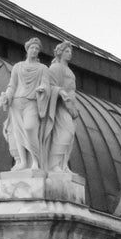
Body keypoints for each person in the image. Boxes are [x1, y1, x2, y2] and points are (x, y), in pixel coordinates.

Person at [0, 37, 52, 171]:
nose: (34, 50)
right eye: (32, 48)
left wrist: (43, 89)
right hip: (16, 102)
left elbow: (46, 84)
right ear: (27, 49)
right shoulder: (18, 66)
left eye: (37, 49)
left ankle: (35, 161)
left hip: (32, 102)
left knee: (29, 128)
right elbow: (12, 85)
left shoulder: (43, 68)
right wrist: (7, 96)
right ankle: (23, 162)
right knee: (17, 132)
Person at [45, 42, 79, 173]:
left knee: (70, 137)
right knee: (66, 133)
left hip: (71, 106)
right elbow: (51, 85)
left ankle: (63, 165)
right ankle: (53, 164)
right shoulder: (56, 67)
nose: (69, 54)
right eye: (66, 51)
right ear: (60, 53)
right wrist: (62, 94)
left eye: (70, 52)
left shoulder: (68, 69)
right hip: (61, 105)